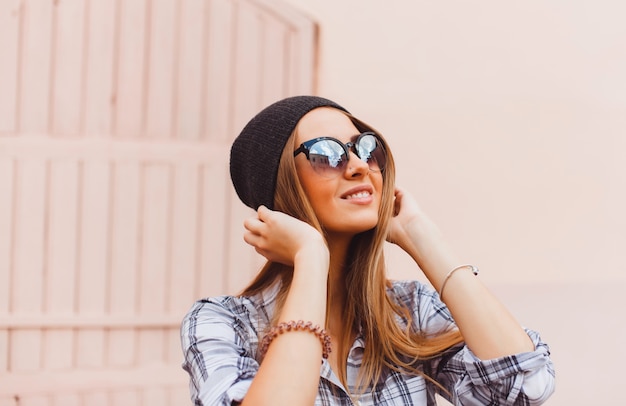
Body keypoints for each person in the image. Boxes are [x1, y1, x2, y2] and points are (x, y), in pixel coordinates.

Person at [180, 96, 555, 405]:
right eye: (326, 153)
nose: (359, 165)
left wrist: (421, 236)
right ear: (283, 187)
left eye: (365, 147)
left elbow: (523, 389)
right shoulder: (222, 323)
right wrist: (310, 257)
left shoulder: (410, 312)